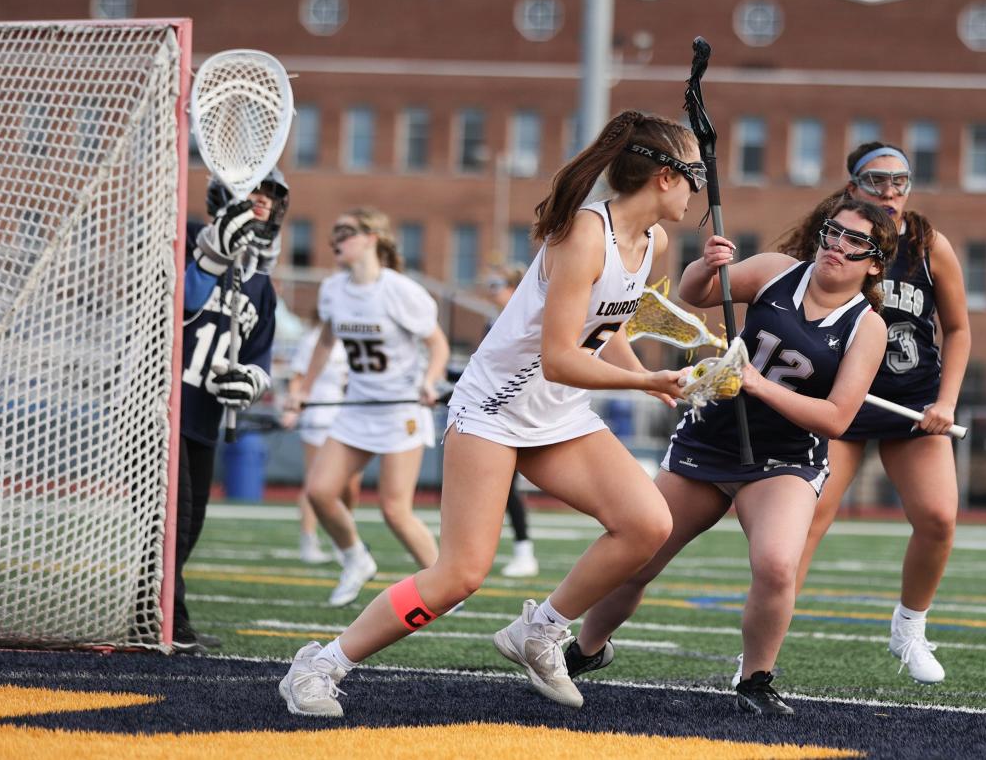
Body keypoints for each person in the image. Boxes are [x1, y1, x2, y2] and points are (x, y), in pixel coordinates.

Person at [278, 109, 696, 716]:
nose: (699, 192)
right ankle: (320, 665)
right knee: (459, 576)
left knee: (648, 525)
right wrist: (642, 380)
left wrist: (644, 376)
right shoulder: (584, 235)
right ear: (663, 177)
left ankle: (541, 630)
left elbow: (608, 321)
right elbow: (557, 358)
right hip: (494, 410)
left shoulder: (652, 241)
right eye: (695, 176)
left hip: (557, 414)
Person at [569, 196, 895, 714]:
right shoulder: (777, 271)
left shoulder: (867, 326)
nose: (837, 245)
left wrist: (758, 384)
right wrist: (706, 266)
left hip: (783, 459)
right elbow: (698, 294)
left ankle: (756, 678)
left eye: (856, 241)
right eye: (833, 232)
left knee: (776, 565)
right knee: (639, 558)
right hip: (711, 437)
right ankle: (585, 651)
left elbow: (836, 419)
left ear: (875, 262)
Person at [791, 142, 971, 685]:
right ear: (852, 188)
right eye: (876, 182)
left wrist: (946, 402)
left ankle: (909, 628)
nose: (890, 192)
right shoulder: (831, 241)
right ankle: (759, 654)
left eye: (900, 181)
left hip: (911, 404)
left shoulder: (926, 243)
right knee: (806, 523)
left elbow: (959, 329)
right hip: (840, 403)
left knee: (938, 518)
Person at [284, 208, 449, 608]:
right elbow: (326, 341)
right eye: (334, 234)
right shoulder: (333, 290)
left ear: (371, 237)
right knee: (320, 492)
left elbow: (438, 345)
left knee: (395, 509)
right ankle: (356, 559)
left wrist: (429, 381)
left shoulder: (399, 291)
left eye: (345, 232)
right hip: (356, 408)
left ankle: (446, 583)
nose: (335, 241)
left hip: (399, 410)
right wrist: (302, 390)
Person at [174, 168, 287, 654]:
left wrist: (251, 383)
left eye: (273, 194)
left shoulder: (260, 284)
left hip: (203, 416)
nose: (264, 200)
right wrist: (211, 256)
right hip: (164, 407)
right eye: (255, 190)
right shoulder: (181, 244)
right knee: (172, 522)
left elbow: (259, 352)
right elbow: (181, 305)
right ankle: (168, 624)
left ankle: (157, 616)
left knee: (192, 521)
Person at [280, 316, 359, 565]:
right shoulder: (313, 340)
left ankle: (343, 539)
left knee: (350, 486)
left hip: (351, 419)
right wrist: (294, 407)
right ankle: (309, 539)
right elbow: (298, 377)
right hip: (319, 418)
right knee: (315, 481)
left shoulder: (358, 337)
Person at [484, 264, 540, 578]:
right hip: (497, 409)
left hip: (521, 410)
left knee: (507, 486)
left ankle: (524, 551)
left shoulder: (525, 318)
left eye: (496, 284)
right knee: (499, 486)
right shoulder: (493, 320)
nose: (491, 291)